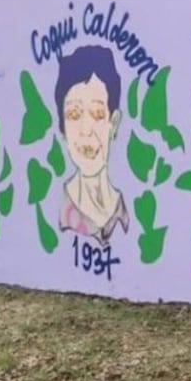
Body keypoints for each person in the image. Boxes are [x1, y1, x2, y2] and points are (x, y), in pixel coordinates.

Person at [55, 46, 129, 244]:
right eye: (74, 115)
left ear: (113, 123)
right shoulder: (61, 213)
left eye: (97, 114)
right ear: (63, 128)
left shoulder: (124, 213)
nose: (86, 130)